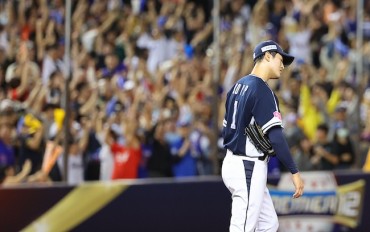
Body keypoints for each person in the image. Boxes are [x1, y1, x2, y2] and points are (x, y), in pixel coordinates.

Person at [221, 40, 304, 232]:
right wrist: (294, 171)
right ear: (267, 56)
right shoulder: (262, 90)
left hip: (233, 161)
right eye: (280, 60)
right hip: (248, 165)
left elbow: (227, 130)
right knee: (242, 228)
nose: (283, 66)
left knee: (268, 224)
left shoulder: (237, 86)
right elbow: (275, 136)